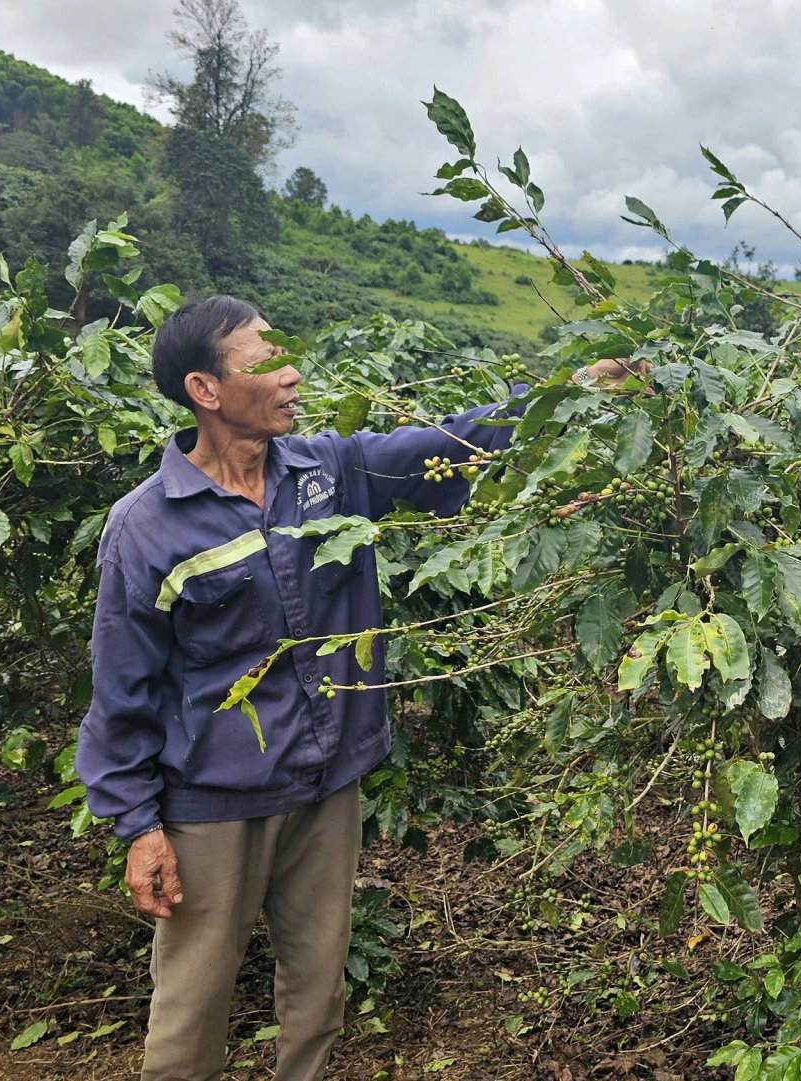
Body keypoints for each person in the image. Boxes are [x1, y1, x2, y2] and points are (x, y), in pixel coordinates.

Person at [75, 296, 639, 1081]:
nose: (292, 373)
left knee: (315, 998)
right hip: (212, 803)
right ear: (204, 390)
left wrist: (575, 391)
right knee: (190, 1013)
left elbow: (451, 442)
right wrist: (137, 825)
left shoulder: (327, 471)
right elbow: (121, 688)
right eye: (264, 361)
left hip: (326, 783)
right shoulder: (147, 528)